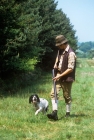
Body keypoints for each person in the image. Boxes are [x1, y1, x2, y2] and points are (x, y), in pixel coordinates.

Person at [47, 35, 76, 120]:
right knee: (53, 93)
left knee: (67, 96)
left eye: (59, 45)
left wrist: (60, 75)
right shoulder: (60, 51)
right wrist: (56, 66)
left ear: (63, 43)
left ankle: (67, 113)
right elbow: (57, 59)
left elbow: (70, 69)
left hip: (67, 77)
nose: (58, 46)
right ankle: (54, 113)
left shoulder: (71, 53)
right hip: (58, 75)